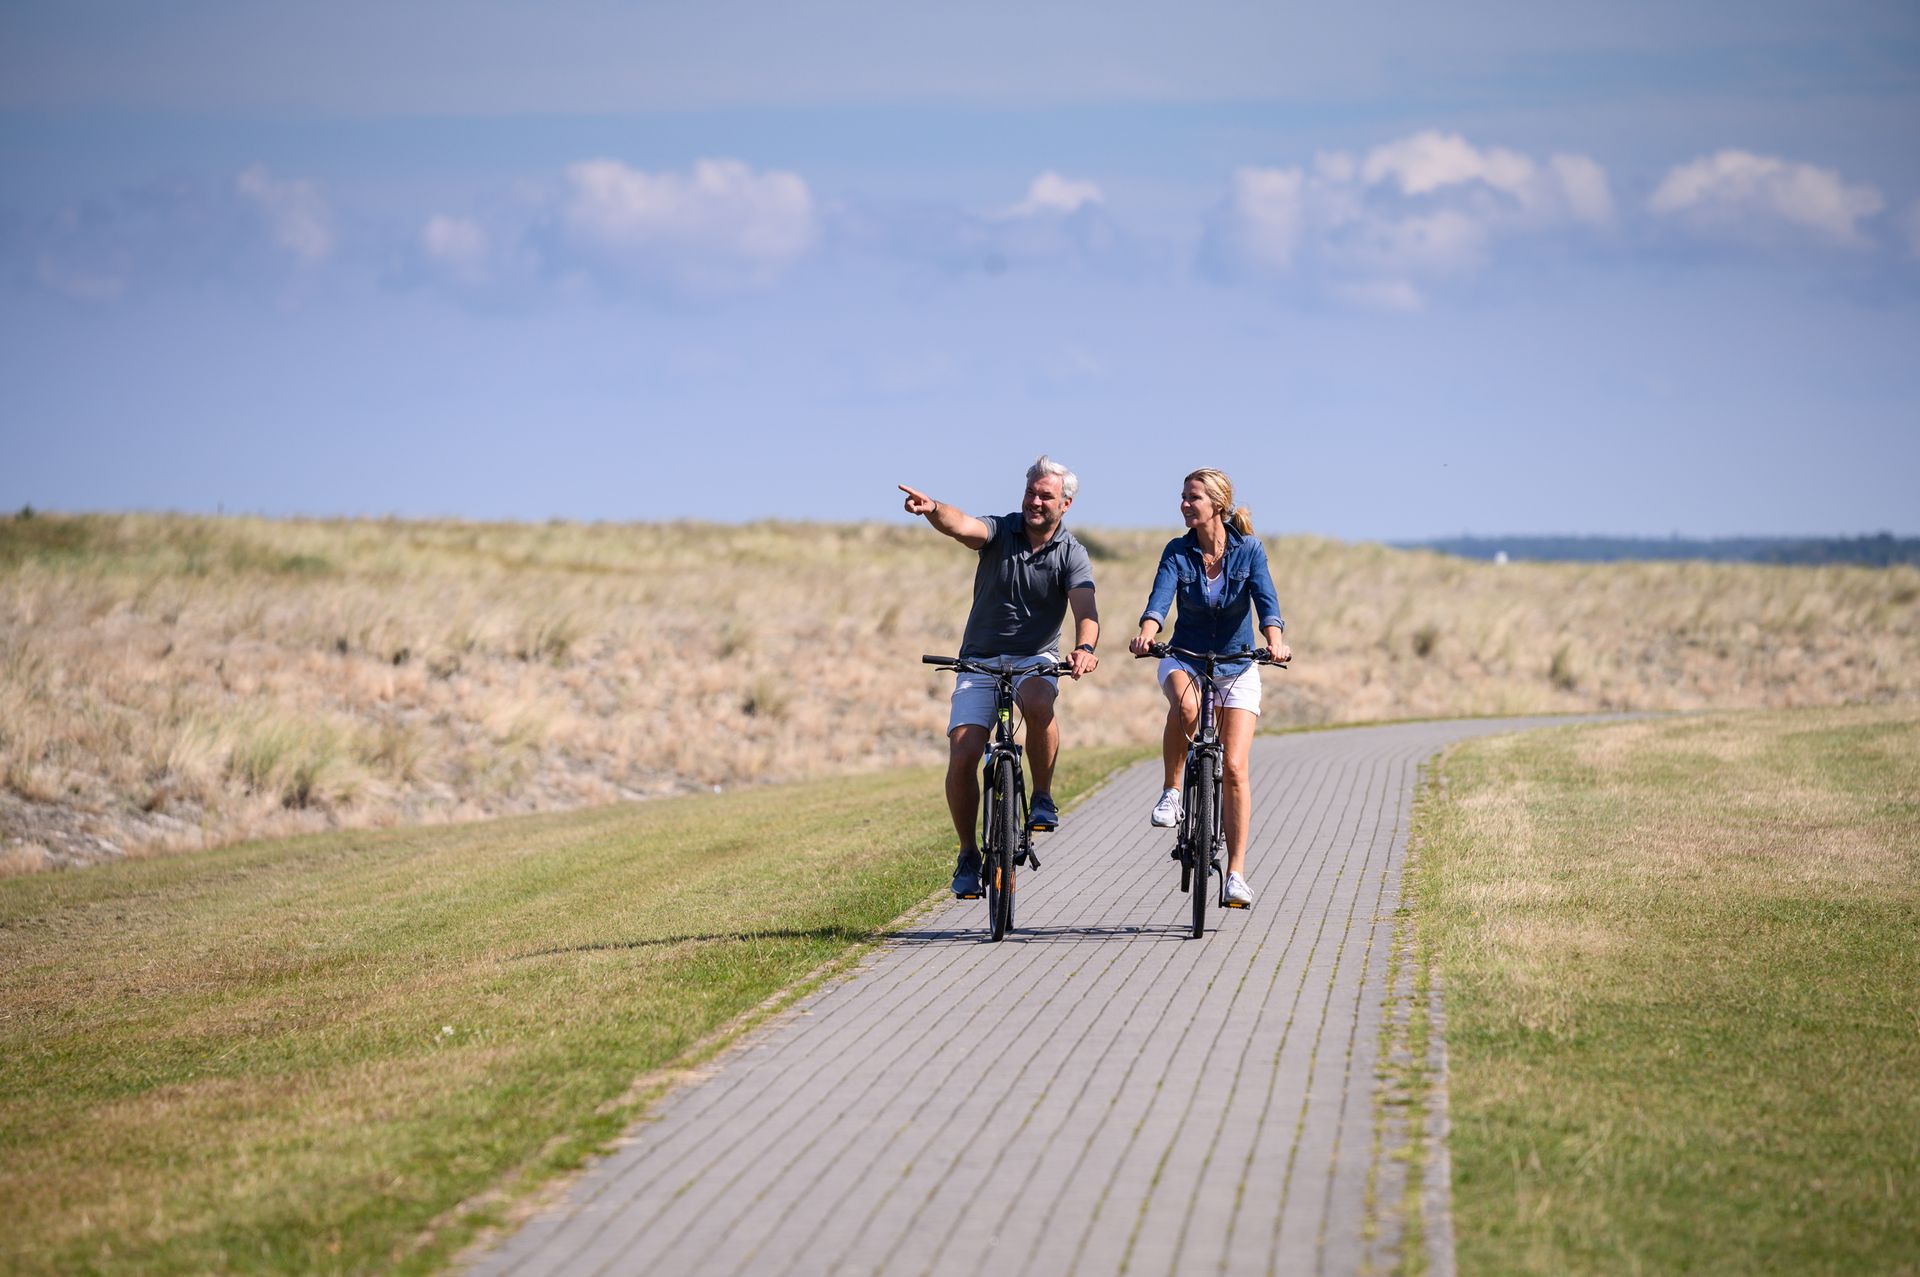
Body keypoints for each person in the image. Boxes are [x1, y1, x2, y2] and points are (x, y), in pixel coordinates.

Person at [899, 456, 1100, 898]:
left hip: (1035, 657)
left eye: (1046, 495)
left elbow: (1086, 609)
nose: (1035, 501)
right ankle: (969, 853)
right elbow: (962, 526)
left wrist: (1085, 648)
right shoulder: (1001, 530)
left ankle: (1042, 796)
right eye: (1031, 492)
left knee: (1039, 701)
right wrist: (933, 509)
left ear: (1064, 504)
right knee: (965, 749)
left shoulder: (1072, 553)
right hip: (979, 659)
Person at [1128, 468, 1290, 908]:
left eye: (1192, 498)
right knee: (1188, 710)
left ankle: (1235, 874)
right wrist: (1146, 633)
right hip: (1185, 655)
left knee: (1235, 769)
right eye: (1182, 497)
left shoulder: (1250, 550)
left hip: (1237, 664)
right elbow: (1158, 602)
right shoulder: (1176, 552)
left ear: (1216, 504)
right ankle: (1172, 792)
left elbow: (1267, 604)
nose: (1183, 504)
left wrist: (1274, 642)